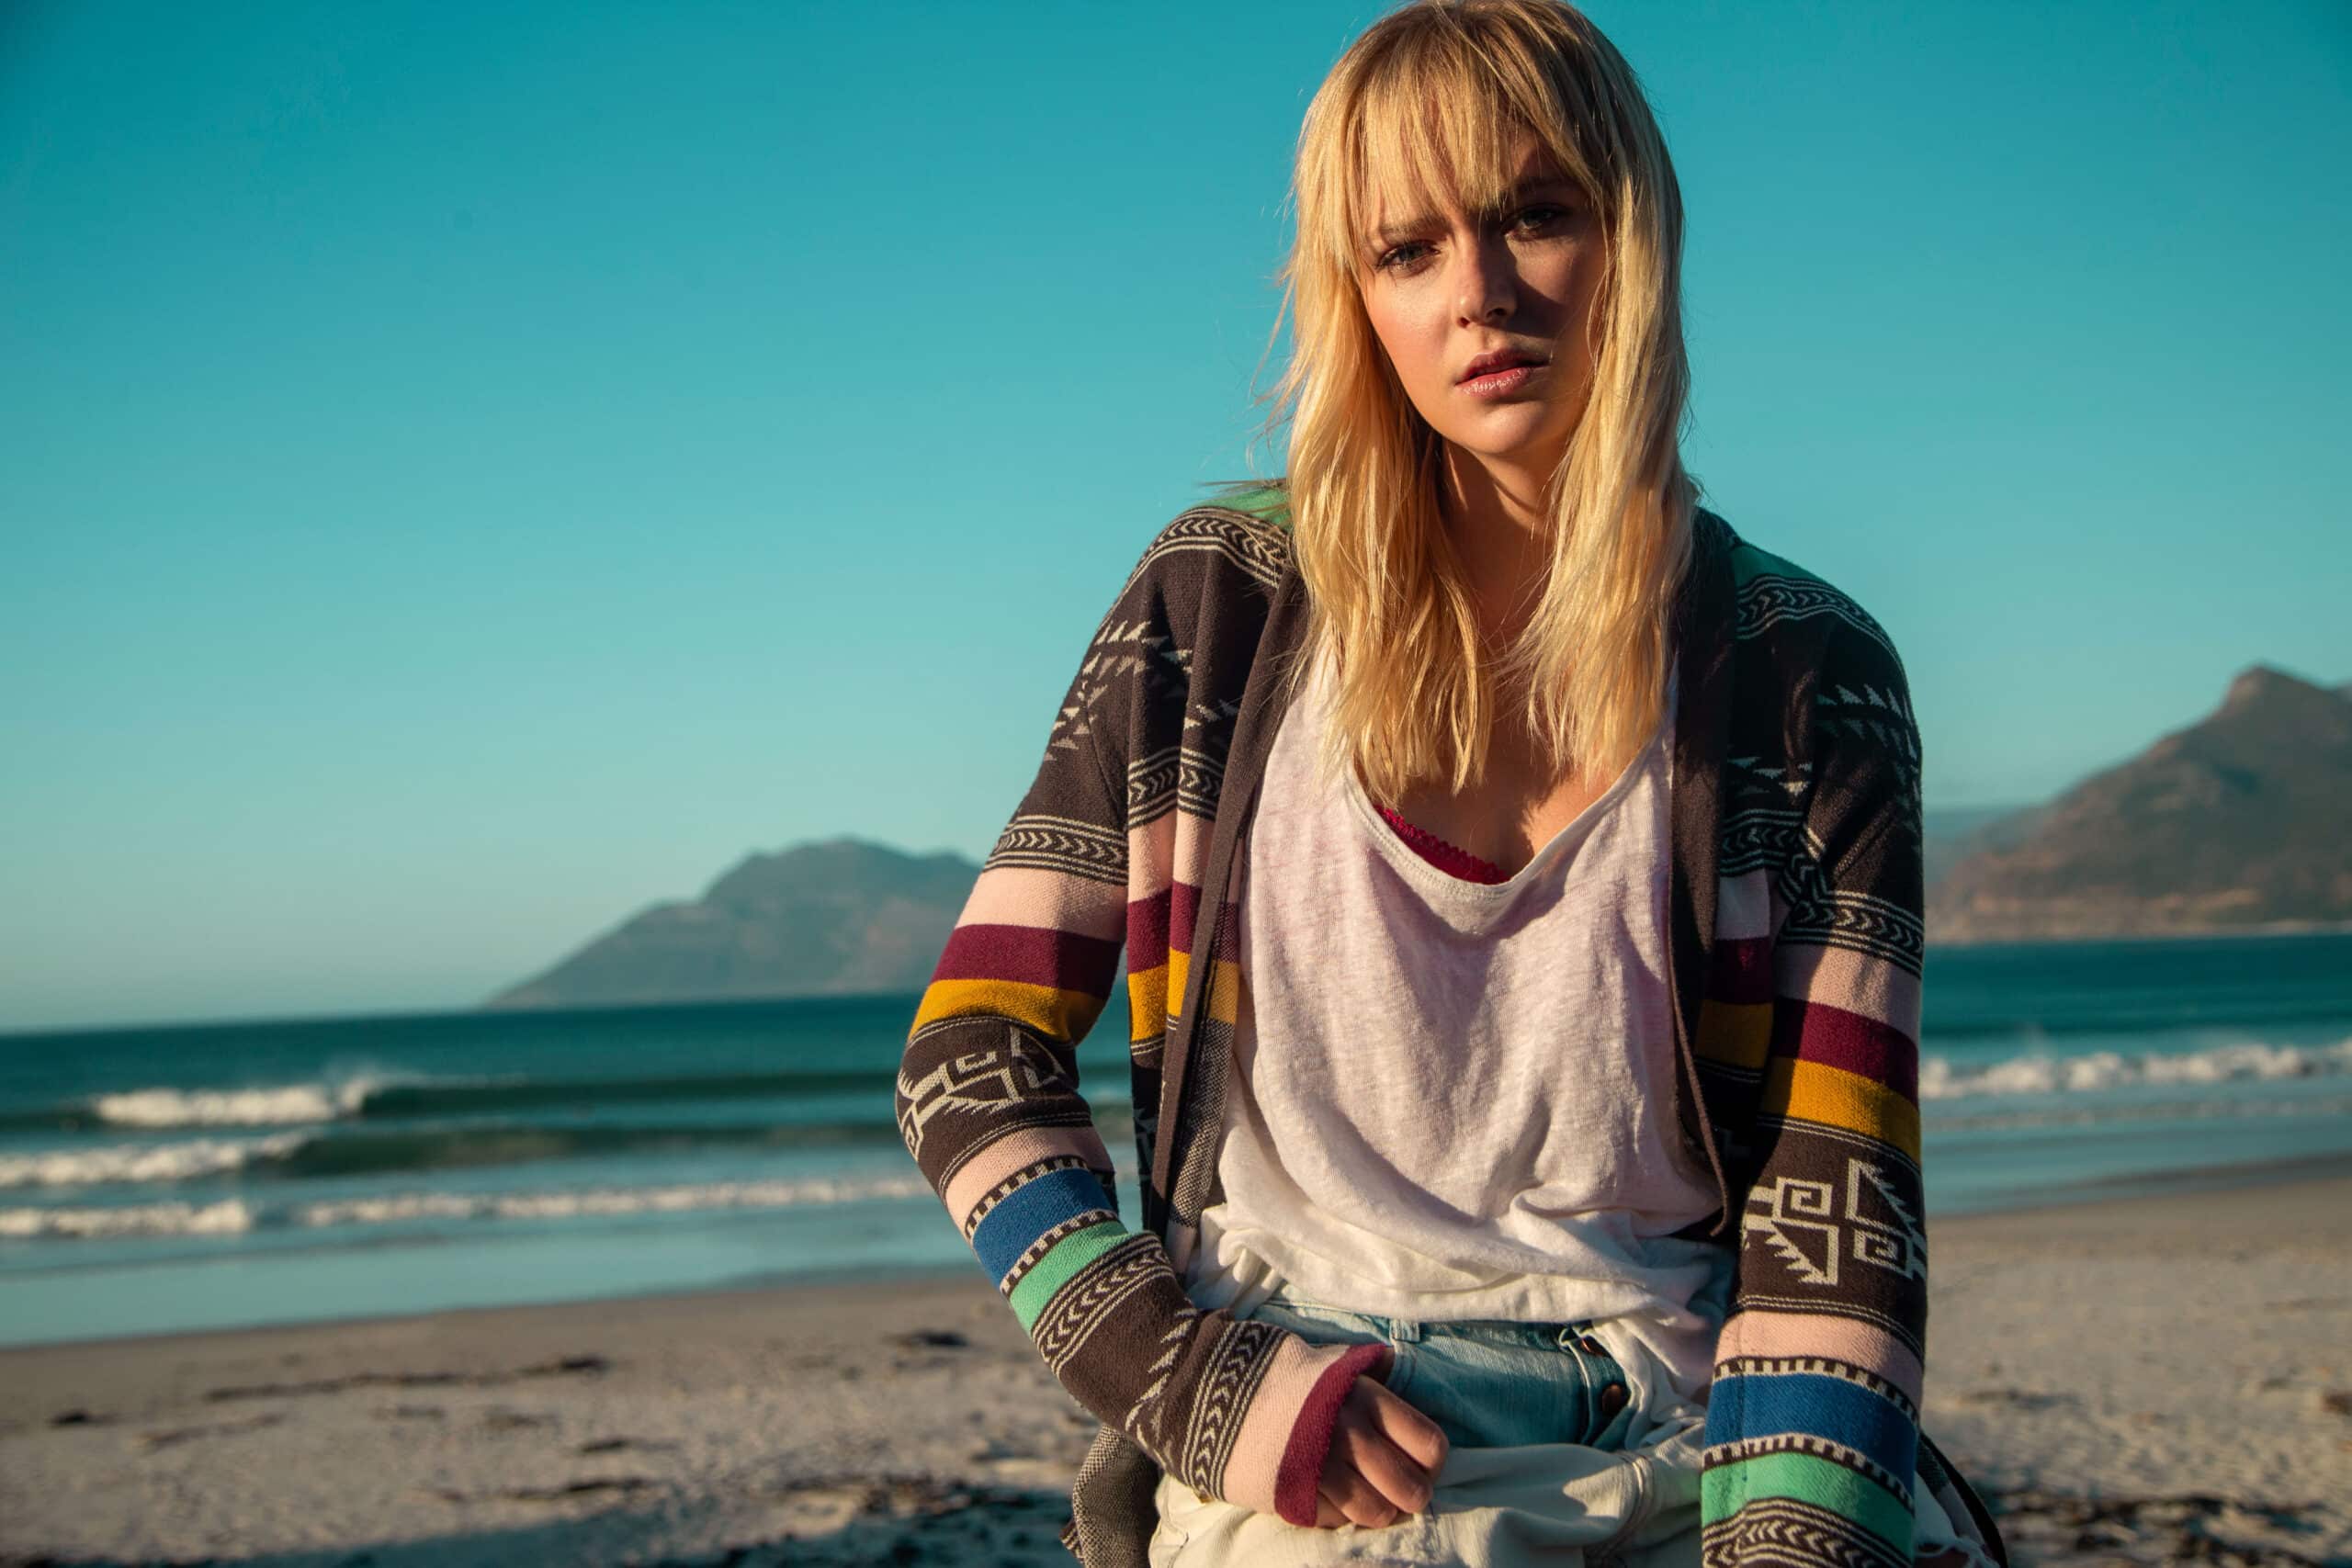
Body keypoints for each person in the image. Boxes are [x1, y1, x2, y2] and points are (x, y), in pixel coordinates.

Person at [895, 3, 2006, 1565]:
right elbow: (968, 1055)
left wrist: (1802, 1536)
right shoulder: (1218, 609)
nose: (1478, 294)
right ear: (1355, 299)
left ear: (1633, 238)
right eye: (1407, 249)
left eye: (1537, 215)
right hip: (1331, 1434)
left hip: (1699, 1429)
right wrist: (1188, 1378)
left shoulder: (1804, 670)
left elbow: (1838, 1201)